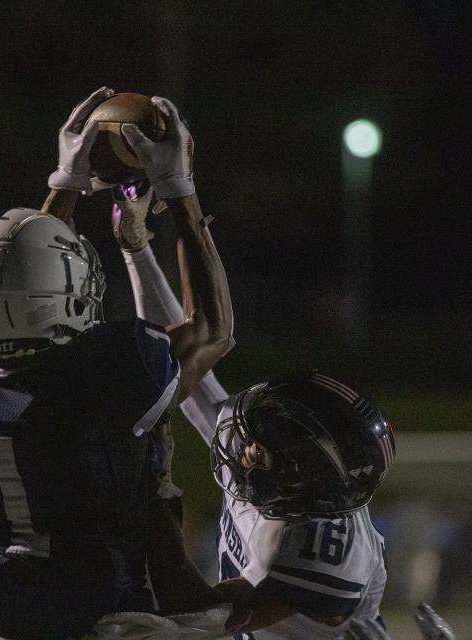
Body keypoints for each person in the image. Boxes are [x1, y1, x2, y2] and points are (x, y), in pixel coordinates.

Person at [0, 87, 234, 640]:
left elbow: (10, 291)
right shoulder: (105, 384)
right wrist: (179, 189)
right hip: (102, 622)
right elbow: (211, 330)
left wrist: (62, 188)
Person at [88, 183, 395, 639]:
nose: (245, 444)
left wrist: (153, 501)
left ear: (297, 478)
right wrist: (136, 250)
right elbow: (173, 364)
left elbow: (205, 612)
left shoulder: (328, 548)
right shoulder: (282, 472)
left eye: (266, 443)